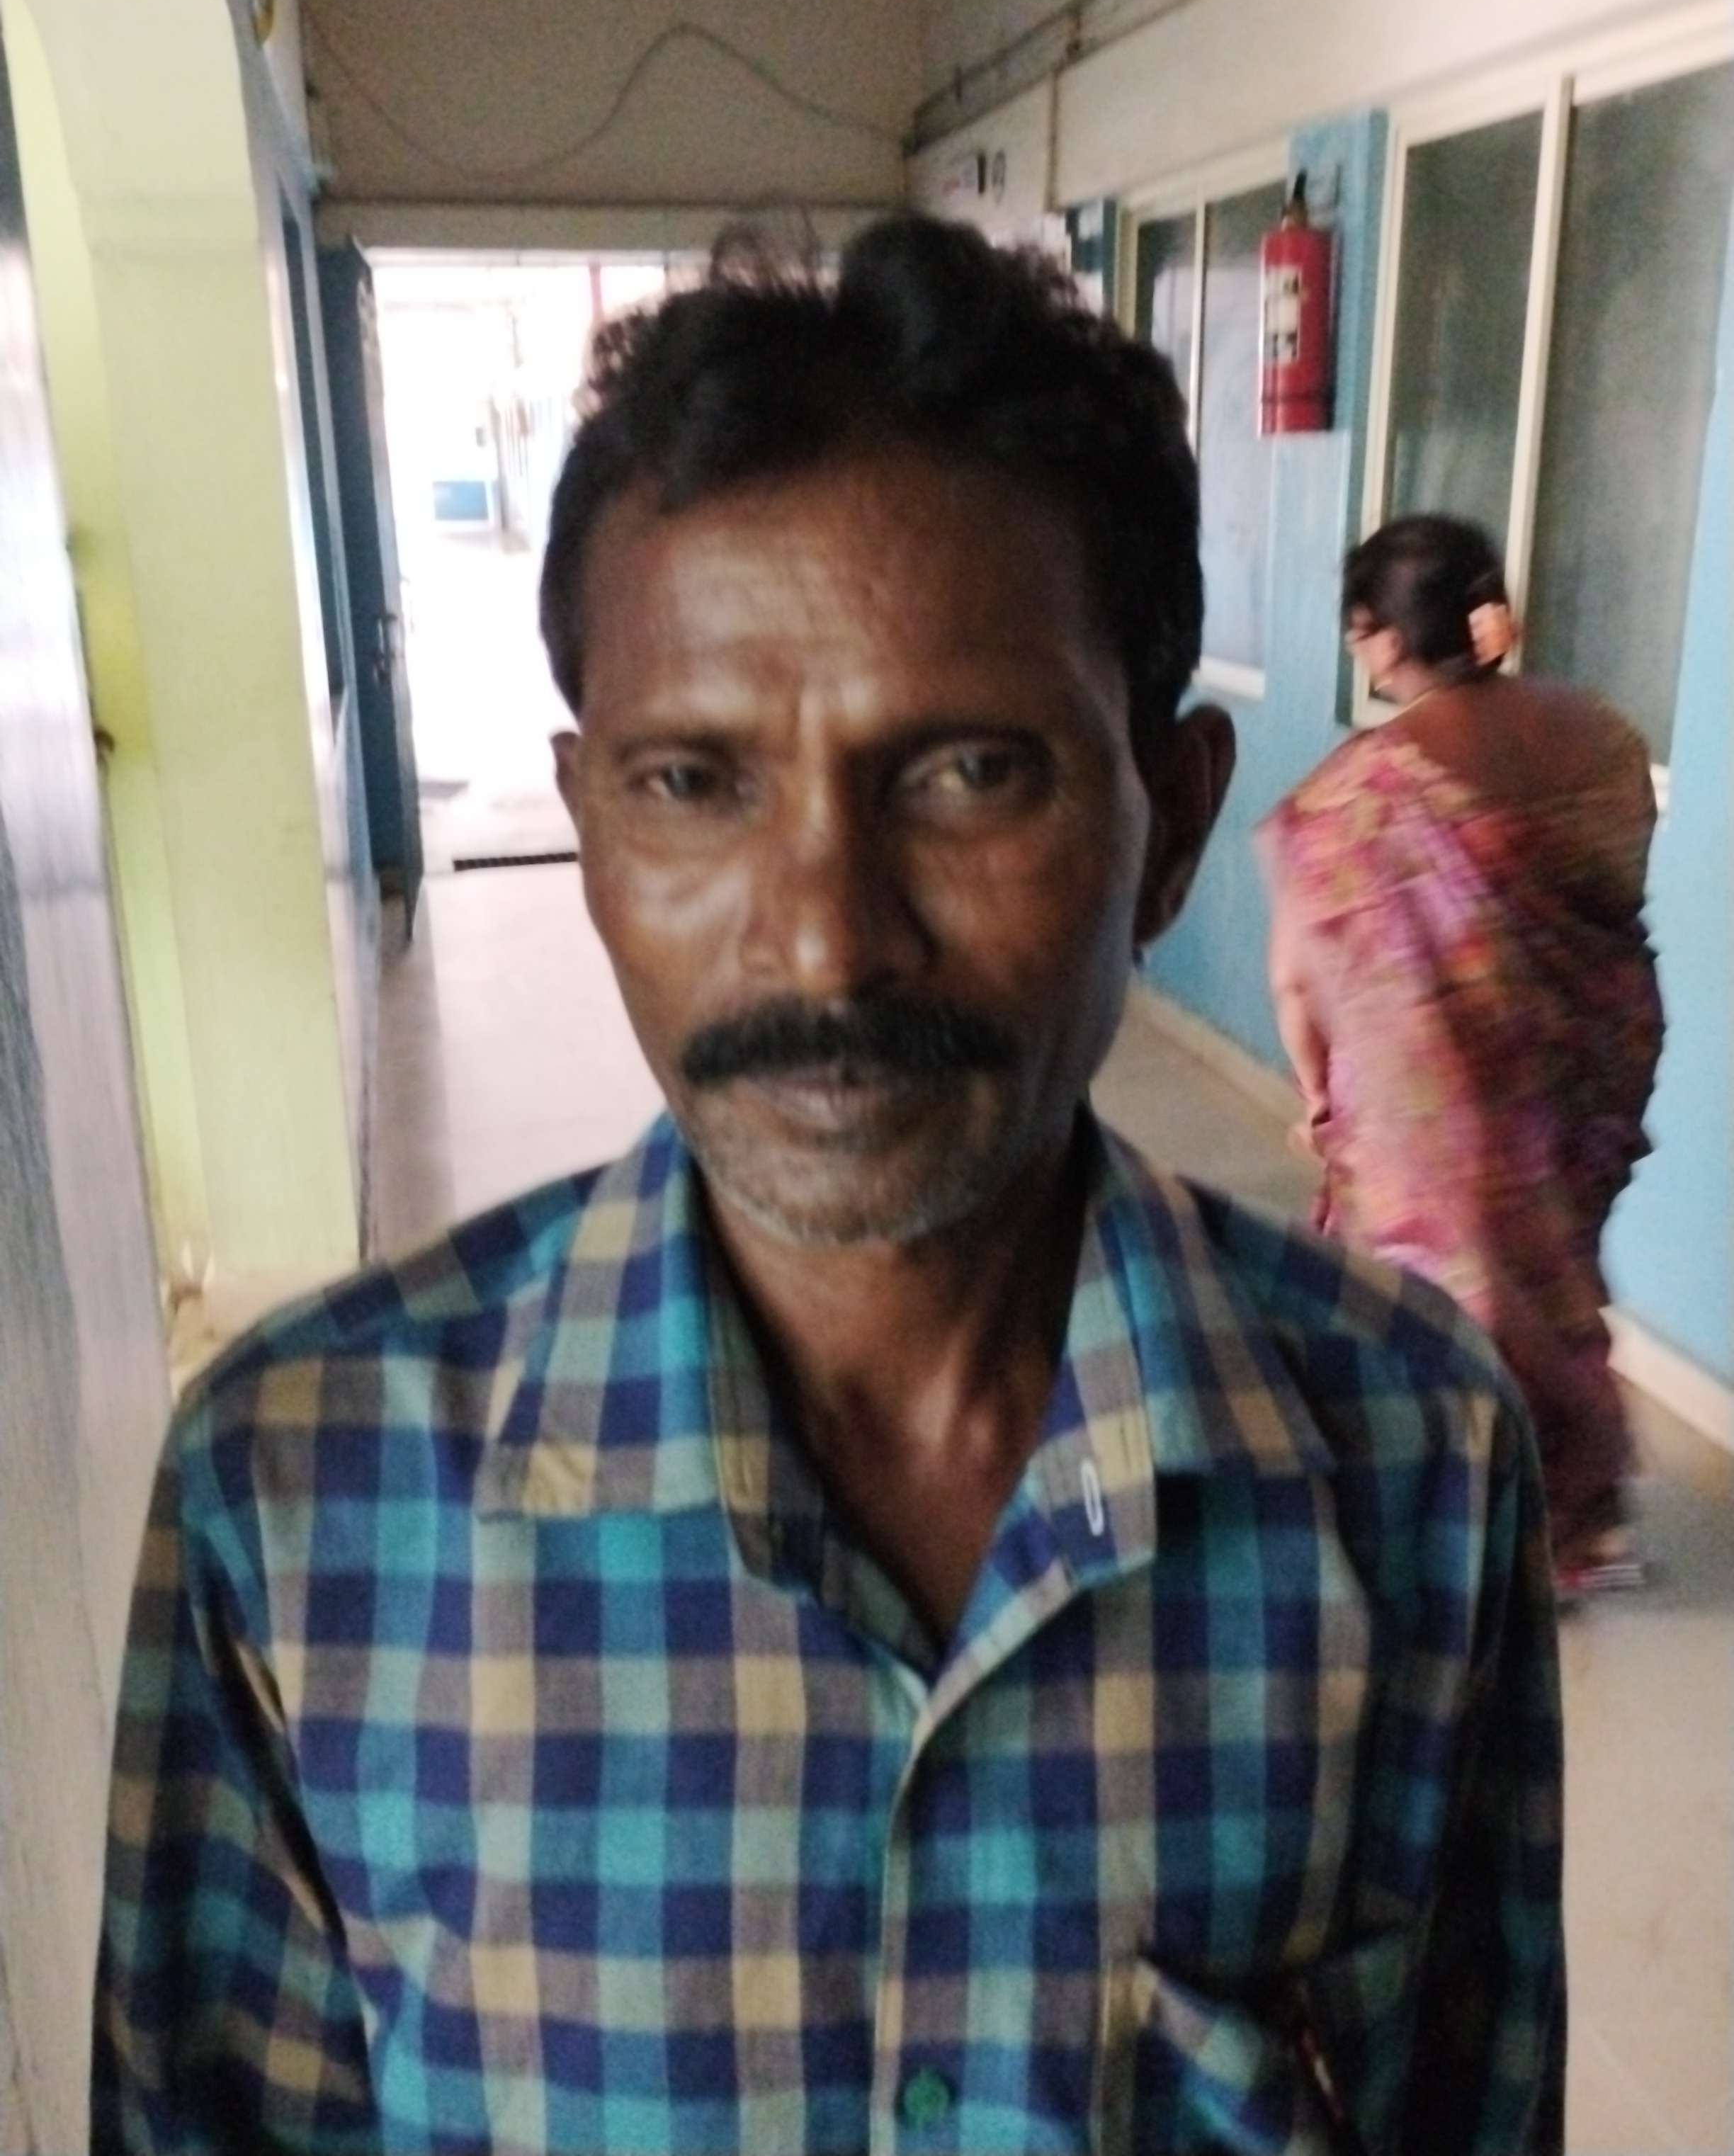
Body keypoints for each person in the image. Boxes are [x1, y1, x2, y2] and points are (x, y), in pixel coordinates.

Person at [93, 221, 1564, 2155]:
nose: (824, 941)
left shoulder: (1415, 1461)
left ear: (1172, 823)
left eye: (967, 774)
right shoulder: (302, 1501)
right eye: (693, 784)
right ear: (588, 830)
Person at [1259, 514, 1663, 1598]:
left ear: (1383, 637)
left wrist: (1322, 1096)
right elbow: (1610, 898)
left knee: (1435, 1302)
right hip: (1581, 1068)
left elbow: (1301, 975)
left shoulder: (1357, 796)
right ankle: (1573, 1519)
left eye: (1359, 631)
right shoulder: (1607, 739)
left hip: (1435, 1101)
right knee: (1550, 1278)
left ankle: (1456, 1529)